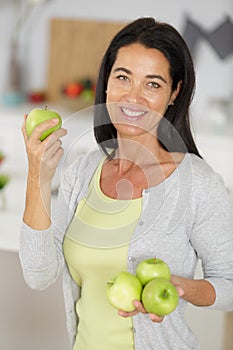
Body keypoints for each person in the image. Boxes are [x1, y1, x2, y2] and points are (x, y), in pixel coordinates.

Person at [19, 17, 233, 350]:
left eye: (153, 84)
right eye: (123, 77)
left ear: (174, 92)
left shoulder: (198, 184)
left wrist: (181, 288)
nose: (132, 97)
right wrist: (38, 173)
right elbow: (39, 274)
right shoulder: (82, 172)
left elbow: (230, 283)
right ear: (106, 83)